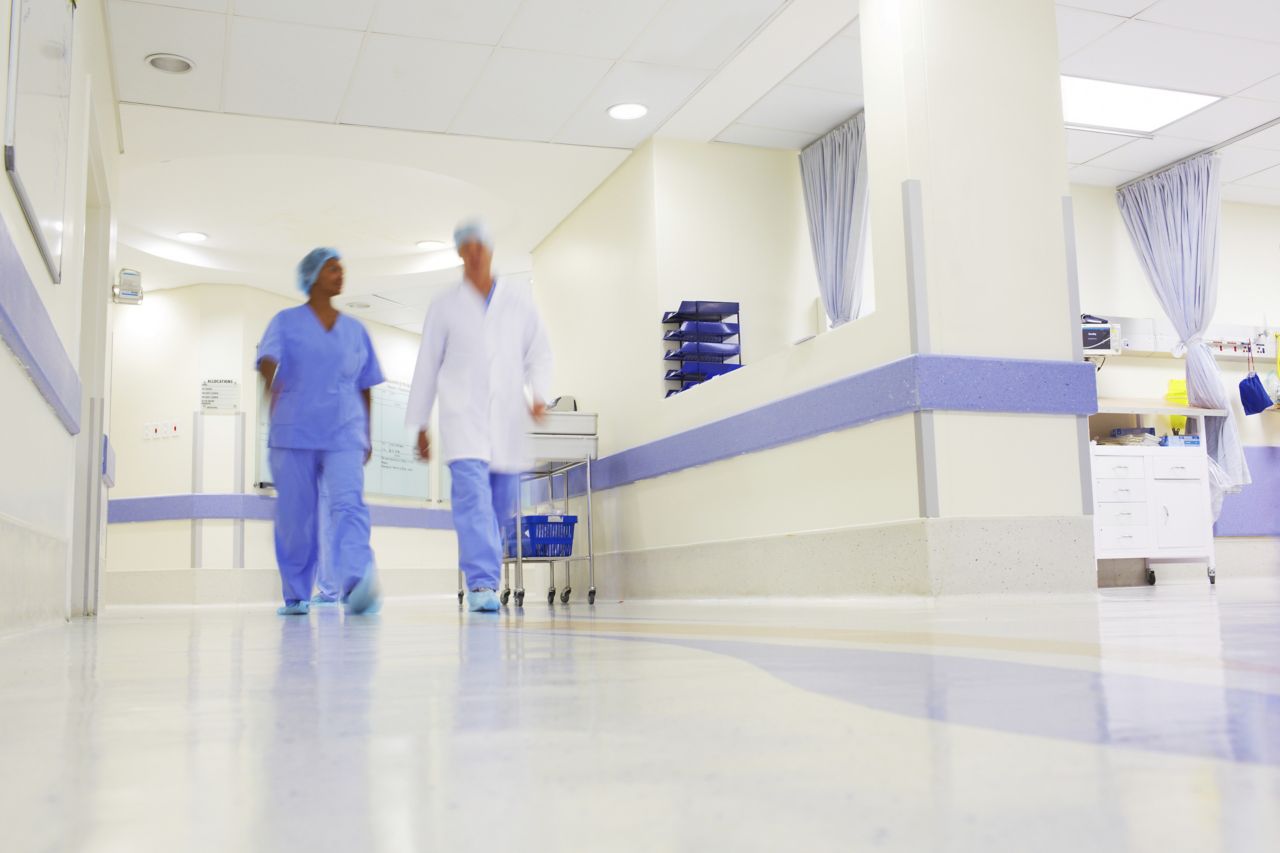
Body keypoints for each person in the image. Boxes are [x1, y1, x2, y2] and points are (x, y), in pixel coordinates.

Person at [406, 220, 553, 612]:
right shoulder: (444, 306)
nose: (473, 253)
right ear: (458, 252)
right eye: (465, 247)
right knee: (472, 502)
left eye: (479, 246)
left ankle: (485, 577)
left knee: (499, 509)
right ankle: (483, 584)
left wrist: (538, 394)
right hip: (462, 420)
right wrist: (420, 423)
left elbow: (538, 351)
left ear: (489, 250)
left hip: (506, 423)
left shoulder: (518, 299)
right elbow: (426, 365)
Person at [257, 248, 384, 616]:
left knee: (349, 506)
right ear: (312, 277)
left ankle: (358, 582)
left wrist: (368, 433)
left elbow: (366, 384)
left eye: (342, 268)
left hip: (344, 432)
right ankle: (296, 594)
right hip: (294, 432)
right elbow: (268, 360)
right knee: (297, 516)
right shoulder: (285, 322)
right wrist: (272, 387)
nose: (340, 274)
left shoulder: (356, 331)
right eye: (332, 269)